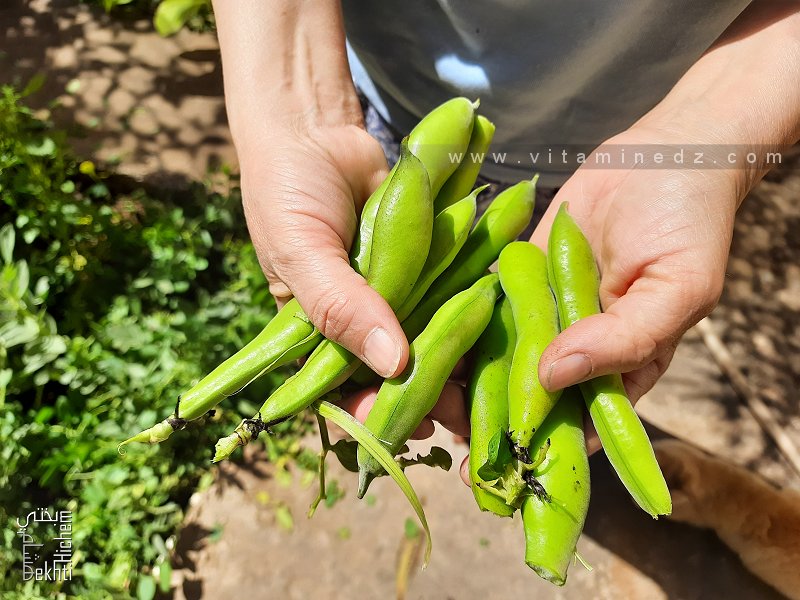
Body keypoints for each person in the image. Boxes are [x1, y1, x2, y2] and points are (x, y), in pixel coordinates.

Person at [210, 1, 800, 479]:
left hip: (643, 147)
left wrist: (702, 141)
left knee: (529, 356)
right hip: (388, 122)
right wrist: (298, 118)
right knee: (405, 326)